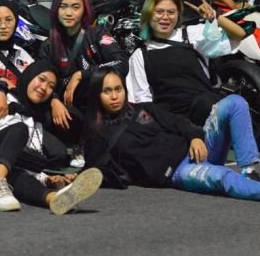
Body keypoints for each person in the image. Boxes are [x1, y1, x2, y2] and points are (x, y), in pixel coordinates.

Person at [84, 67, 260, 200]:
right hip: (180, 171)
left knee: (234, 103)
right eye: (107, 91)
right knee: (222, 177)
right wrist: (76, 179)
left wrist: (195, 137)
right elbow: (97, 171)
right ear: (96, 94)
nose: (114, 96)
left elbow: (176, 121)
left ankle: (250, 171)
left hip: (199, 149)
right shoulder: (99, 134)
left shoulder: (142, 108)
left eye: (118, 89)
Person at [0, 60, 103, 213]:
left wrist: (46, 179)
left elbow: (20, 162)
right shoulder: (2, 100)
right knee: (19, 129)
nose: (44, 88)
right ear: (29, 76)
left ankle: (55, 199)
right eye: (41, 79)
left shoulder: (35, 121)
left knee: (21, 175)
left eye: (51, 86)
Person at [127, 0, 246, 126]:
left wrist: (214, 16)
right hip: (174, 125)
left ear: (178, 14)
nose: (165, 17)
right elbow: (142, 102)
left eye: (171, 12)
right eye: (159, 12)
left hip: (208, 113)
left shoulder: (190, 35)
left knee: (237, 103)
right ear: (148, 14)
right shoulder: (140, 55)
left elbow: (239, 34)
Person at [38, 0, 128, 165]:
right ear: (56, 10)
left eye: (75, 7)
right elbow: (41, 79)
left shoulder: (97, 34)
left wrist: (82, 74)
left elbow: (121, 63)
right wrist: (54, 100)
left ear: (84, 10)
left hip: (103, 108)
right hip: (70, 112)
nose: (68, 13)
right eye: (63, 6)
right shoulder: (48, 45)